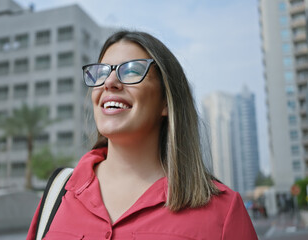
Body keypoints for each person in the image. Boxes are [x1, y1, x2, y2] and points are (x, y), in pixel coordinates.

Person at [26, 30, 258, 239]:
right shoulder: (58, 193)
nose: (110, 82)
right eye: (102, 72)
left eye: (132, 70)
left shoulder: (224, 211)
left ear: (166, 102)